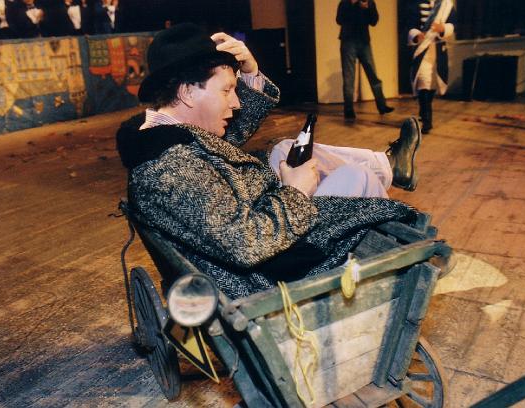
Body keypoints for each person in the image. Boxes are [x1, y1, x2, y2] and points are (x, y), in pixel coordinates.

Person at [116, 23, 421, 299]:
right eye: (227, 90)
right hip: (274, 276)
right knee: (359, 178)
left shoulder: (165, 136)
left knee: (288, 150)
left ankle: (389, 170)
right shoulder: (171, 167)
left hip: (262, 242)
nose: (236, 102)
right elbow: (245, 243)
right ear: (186, 92)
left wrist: (250, 71)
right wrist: (295, 192)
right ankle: (400, 277)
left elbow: (223, 140)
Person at [336, 0, 394, 120]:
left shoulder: (369, 2)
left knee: (373, 74)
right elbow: (339, 20)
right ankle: (348, 109)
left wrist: (368, 8)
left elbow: (374, 21)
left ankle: (382, 106)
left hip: (364, 42)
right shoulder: (345, 2)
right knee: (349, 78)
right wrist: (352, 4)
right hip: (348, 42)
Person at [407, 0, 456, 134]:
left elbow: (453, 24)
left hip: (438, 51)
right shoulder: (416, 4)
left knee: (432, 83)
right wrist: (416, 35)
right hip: (422, 50)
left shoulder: (446, 4)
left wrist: (443, 29)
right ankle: (427, 120)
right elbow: (410, 24)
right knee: (423, 82)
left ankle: (424, 111)